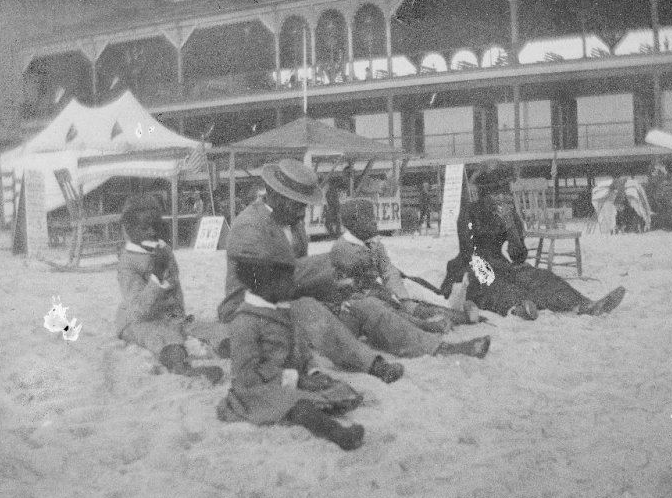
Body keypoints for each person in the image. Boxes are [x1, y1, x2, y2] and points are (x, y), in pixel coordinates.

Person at [219, 160, 488, 384]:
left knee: (365, 303)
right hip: (249, 307)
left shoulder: (292, 222)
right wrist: (333, 264)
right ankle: (373, 365)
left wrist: (339, 287)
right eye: (298, 204)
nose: (303, 213)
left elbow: (297, 276)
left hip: (286, 297)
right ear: (274, 195)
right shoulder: (249, 227)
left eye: (304, 205)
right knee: (309, 309)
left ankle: (436, 347)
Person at [216, 233, 366, 451]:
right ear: (263, 285)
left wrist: (311, 373)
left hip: (288, 381)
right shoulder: (245, 321)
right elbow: (246, 373)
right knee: (299, 406)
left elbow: (300, 350)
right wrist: (297, 380)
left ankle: (312, 401)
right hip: (256, 389)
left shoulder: (284, 311)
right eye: (286, 281)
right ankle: (338, 434)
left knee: (337, 390)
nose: (292, 285)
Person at [440, 161, 626, 319]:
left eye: (506, 193)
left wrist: (511, 229)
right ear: (484, 194)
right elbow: (469, 253)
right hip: (471, 267)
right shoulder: (469, 214)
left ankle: (584, 305)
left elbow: (519, 257)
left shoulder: (508, 212)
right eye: (497, 194)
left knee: (541, 277)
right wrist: (499, 268)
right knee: (495, 284)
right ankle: (520, 308)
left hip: (501, 264)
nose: (503, 198)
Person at [330, 198, 482, 333]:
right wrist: (384, 294)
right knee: (393, 312)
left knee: (411, 303)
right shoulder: (343, 248)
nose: (375, 222)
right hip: (361, 299)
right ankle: (428, 325)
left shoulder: (374, 243)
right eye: (370, 219)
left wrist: (400, 295)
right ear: (355, 223)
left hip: (379, 290)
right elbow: (349, 286)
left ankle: (463, 317)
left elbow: (387, 270)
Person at [116, 205, 225, 383]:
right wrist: (157, 274)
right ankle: (181, 368)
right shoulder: (127, 263)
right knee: (168, 339)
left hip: (170, 314)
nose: (152, 232)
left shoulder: (164, 249)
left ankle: (233, 349)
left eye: (156, 226)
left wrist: (179, 316)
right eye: (144, 228)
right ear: (129, 231)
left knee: (210, 329)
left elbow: (176, 287)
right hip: (139, 320)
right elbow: (138, 309)